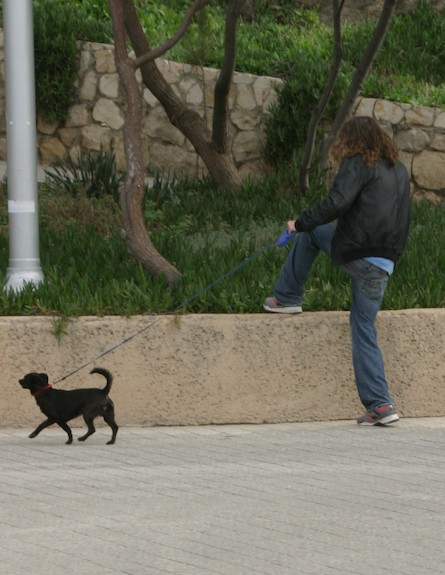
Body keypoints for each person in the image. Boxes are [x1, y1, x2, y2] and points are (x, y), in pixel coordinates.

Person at [263, 116, 411, 426]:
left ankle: (287, 297)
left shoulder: (358, 162)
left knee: (310, 234)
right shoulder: (398, 169)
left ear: (351, 140)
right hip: (384, 264)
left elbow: (337, 202)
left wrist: (299, 223)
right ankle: (380, 405)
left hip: (360, 252)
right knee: (363, 327)